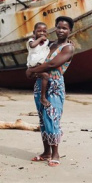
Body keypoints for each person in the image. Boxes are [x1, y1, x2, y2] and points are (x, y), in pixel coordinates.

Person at [26, 16, 75, 167]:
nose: (61, 30)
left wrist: (30, 70)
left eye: (64, 28)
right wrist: (33, 70)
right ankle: (46, 152)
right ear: (55, 28)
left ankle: (55, 153)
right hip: (40, 83)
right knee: (42, 119)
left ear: (70, 31)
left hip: (55, 86)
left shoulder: (68, 48)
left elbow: (52, 64)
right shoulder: (49, 44)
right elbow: (36, 55)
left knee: (52, 117)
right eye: (59, 27)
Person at [27, 22, 50, 107]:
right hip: (33, 65)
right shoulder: (31, 40)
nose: (42, 33)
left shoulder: (46, 41)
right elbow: (32, 46)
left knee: (45, 76)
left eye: (44, 31)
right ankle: (43, 97)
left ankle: (33, 74)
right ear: (34, 32)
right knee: (46, 76)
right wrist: (40, 39)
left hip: (40, 65)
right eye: (39, 31)